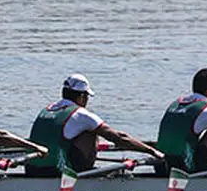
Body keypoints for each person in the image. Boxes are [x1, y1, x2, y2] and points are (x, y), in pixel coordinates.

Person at [25, 74, 164, 177]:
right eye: (87, 97)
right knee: (92, 130)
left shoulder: (46, 111)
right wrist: (151, 151)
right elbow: (119, 138)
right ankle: (87, 173)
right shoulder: (81, 115)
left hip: (32, 170)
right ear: (81, 97)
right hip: (59, 172)